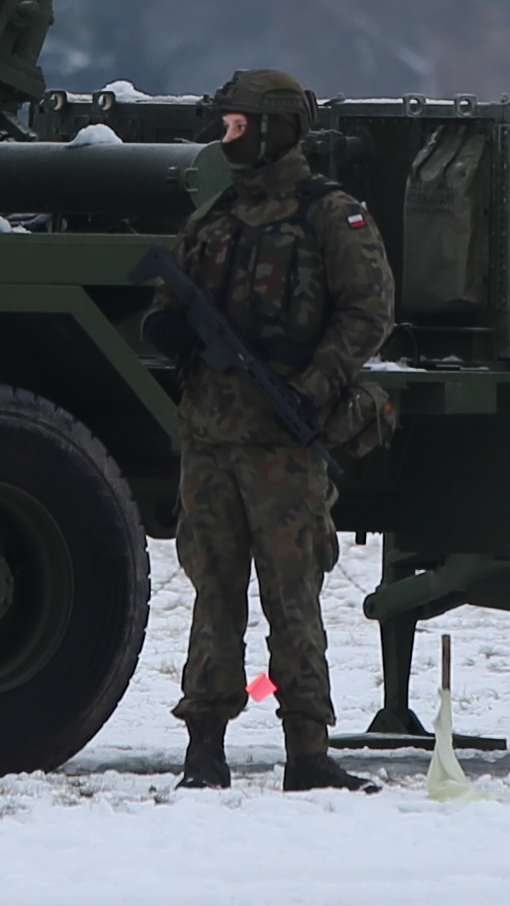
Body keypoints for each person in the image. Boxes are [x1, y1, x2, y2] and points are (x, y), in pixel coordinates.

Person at [163, 64, 394, 792]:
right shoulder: (216, 217)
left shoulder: (329, 214)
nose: (226, 136)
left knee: (292, 594)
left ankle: (308, 750)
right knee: (212, 588)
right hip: (211, 435)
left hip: (282, 441)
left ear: (274, 130)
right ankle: (204, 747)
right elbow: (177, 295)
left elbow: (369, 311)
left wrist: (313, 385)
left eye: (237, 125)